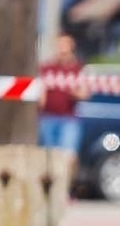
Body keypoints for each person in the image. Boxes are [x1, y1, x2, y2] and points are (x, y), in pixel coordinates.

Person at [38, 33, 89, 163]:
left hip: (69, 119)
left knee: (68, 156)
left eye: (65, 45)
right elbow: (41, 93)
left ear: (71, 46)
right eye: (60, 45)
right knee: (48, 157)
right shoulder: (46, 68)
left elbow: (85, 93)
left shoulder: (78, 69)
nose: (62, 49)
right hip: (47, 117)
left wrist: (77, 93)